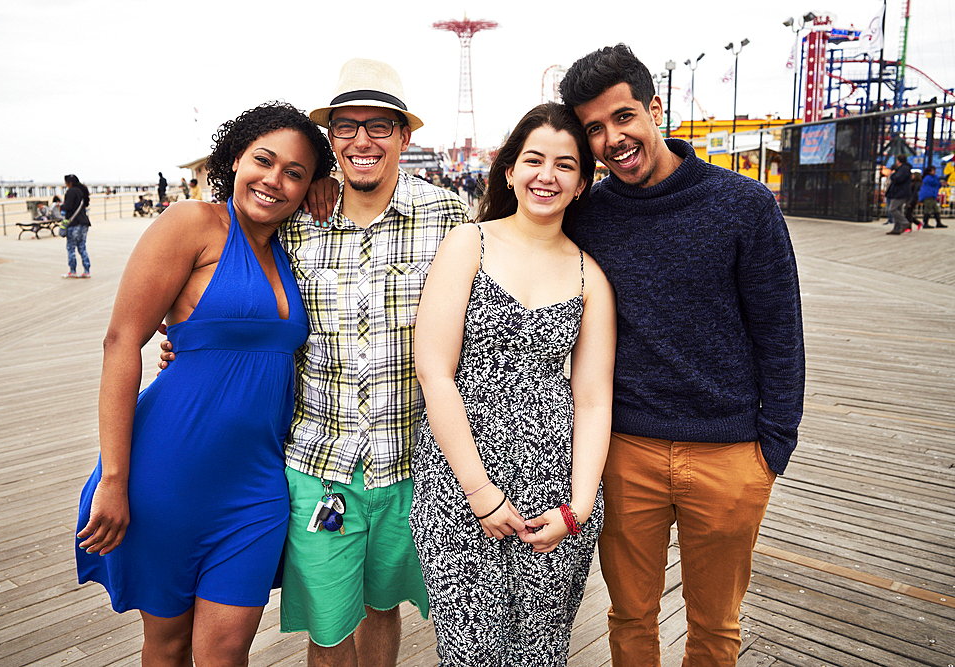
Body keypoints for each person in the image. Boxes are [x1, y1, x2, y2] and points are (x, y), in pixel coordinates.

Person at [161, 58, 471, 667]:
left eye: (380, 126)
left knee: (384, 608)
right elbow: (239, 295)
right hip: (318, 463)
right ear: (330, 138)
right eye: (347, 126)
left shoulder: (449, 220)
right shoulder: (295, 218)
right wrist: (189, 341)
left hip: (412, 461)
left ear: (405, 137)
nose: (363, 139)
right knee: (329, 630)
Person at [559, 44, 805, 667]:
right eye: (594, 129)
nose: (612, 139)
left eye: (623, 117)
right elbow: (507, 224)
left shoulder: (743, 205)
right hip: (625, 451)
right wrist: (326, 178)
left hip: (729, 456)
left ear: (655, 108)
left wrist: (770, 450)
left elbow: (780, 335)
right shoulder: (586, 217)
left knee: (716, 628)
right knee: (630, 619)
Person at [76, 102, 336, 667]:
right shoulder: (193, 223)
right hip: (165, 475)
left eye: (295, 172)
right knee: (167, 645)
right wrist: (115, 478)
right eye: (263, 161)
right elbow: (121, 343)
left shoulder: (290, 248)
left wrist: (328, 186)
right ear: (234, 159)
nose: (275, 180)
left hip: (257, 484)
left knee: (225, 652)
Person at [410, 102, 615, 666]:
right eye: (533, 160)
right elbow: (435, 371)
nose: (546, 175)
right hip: (459, 489)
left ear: (581, 184)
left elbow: (594, 399)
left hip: (555, 498)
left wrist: (577, 506)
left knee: (541, 651)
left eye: (565, 165)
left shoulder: (588, 275)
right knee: (471, 651)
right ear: (508, 170)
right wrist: (479, 492)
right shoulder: (467, 245)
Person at [61, 174, 92, 278]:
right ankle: (87, 271)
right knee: (82, 247)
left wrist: (61, 206)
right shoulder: (81, 191)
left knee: (71, 248)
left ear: (69, 183)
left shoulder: (71, 191)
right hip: (84, 223)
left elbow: (68, 206)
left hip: (74, 224)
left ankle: (73, 271)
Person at [885, 154, 913, 235]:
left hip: (900, 192)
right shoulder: (905, 168)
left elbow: (898, 178)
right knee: (898, 209)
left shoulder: (903, 169)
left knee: (892, 209)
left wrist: (893, 175)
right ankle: (897, 228)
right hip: (901, 192)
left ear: (898, 161)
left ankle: (904, 223)